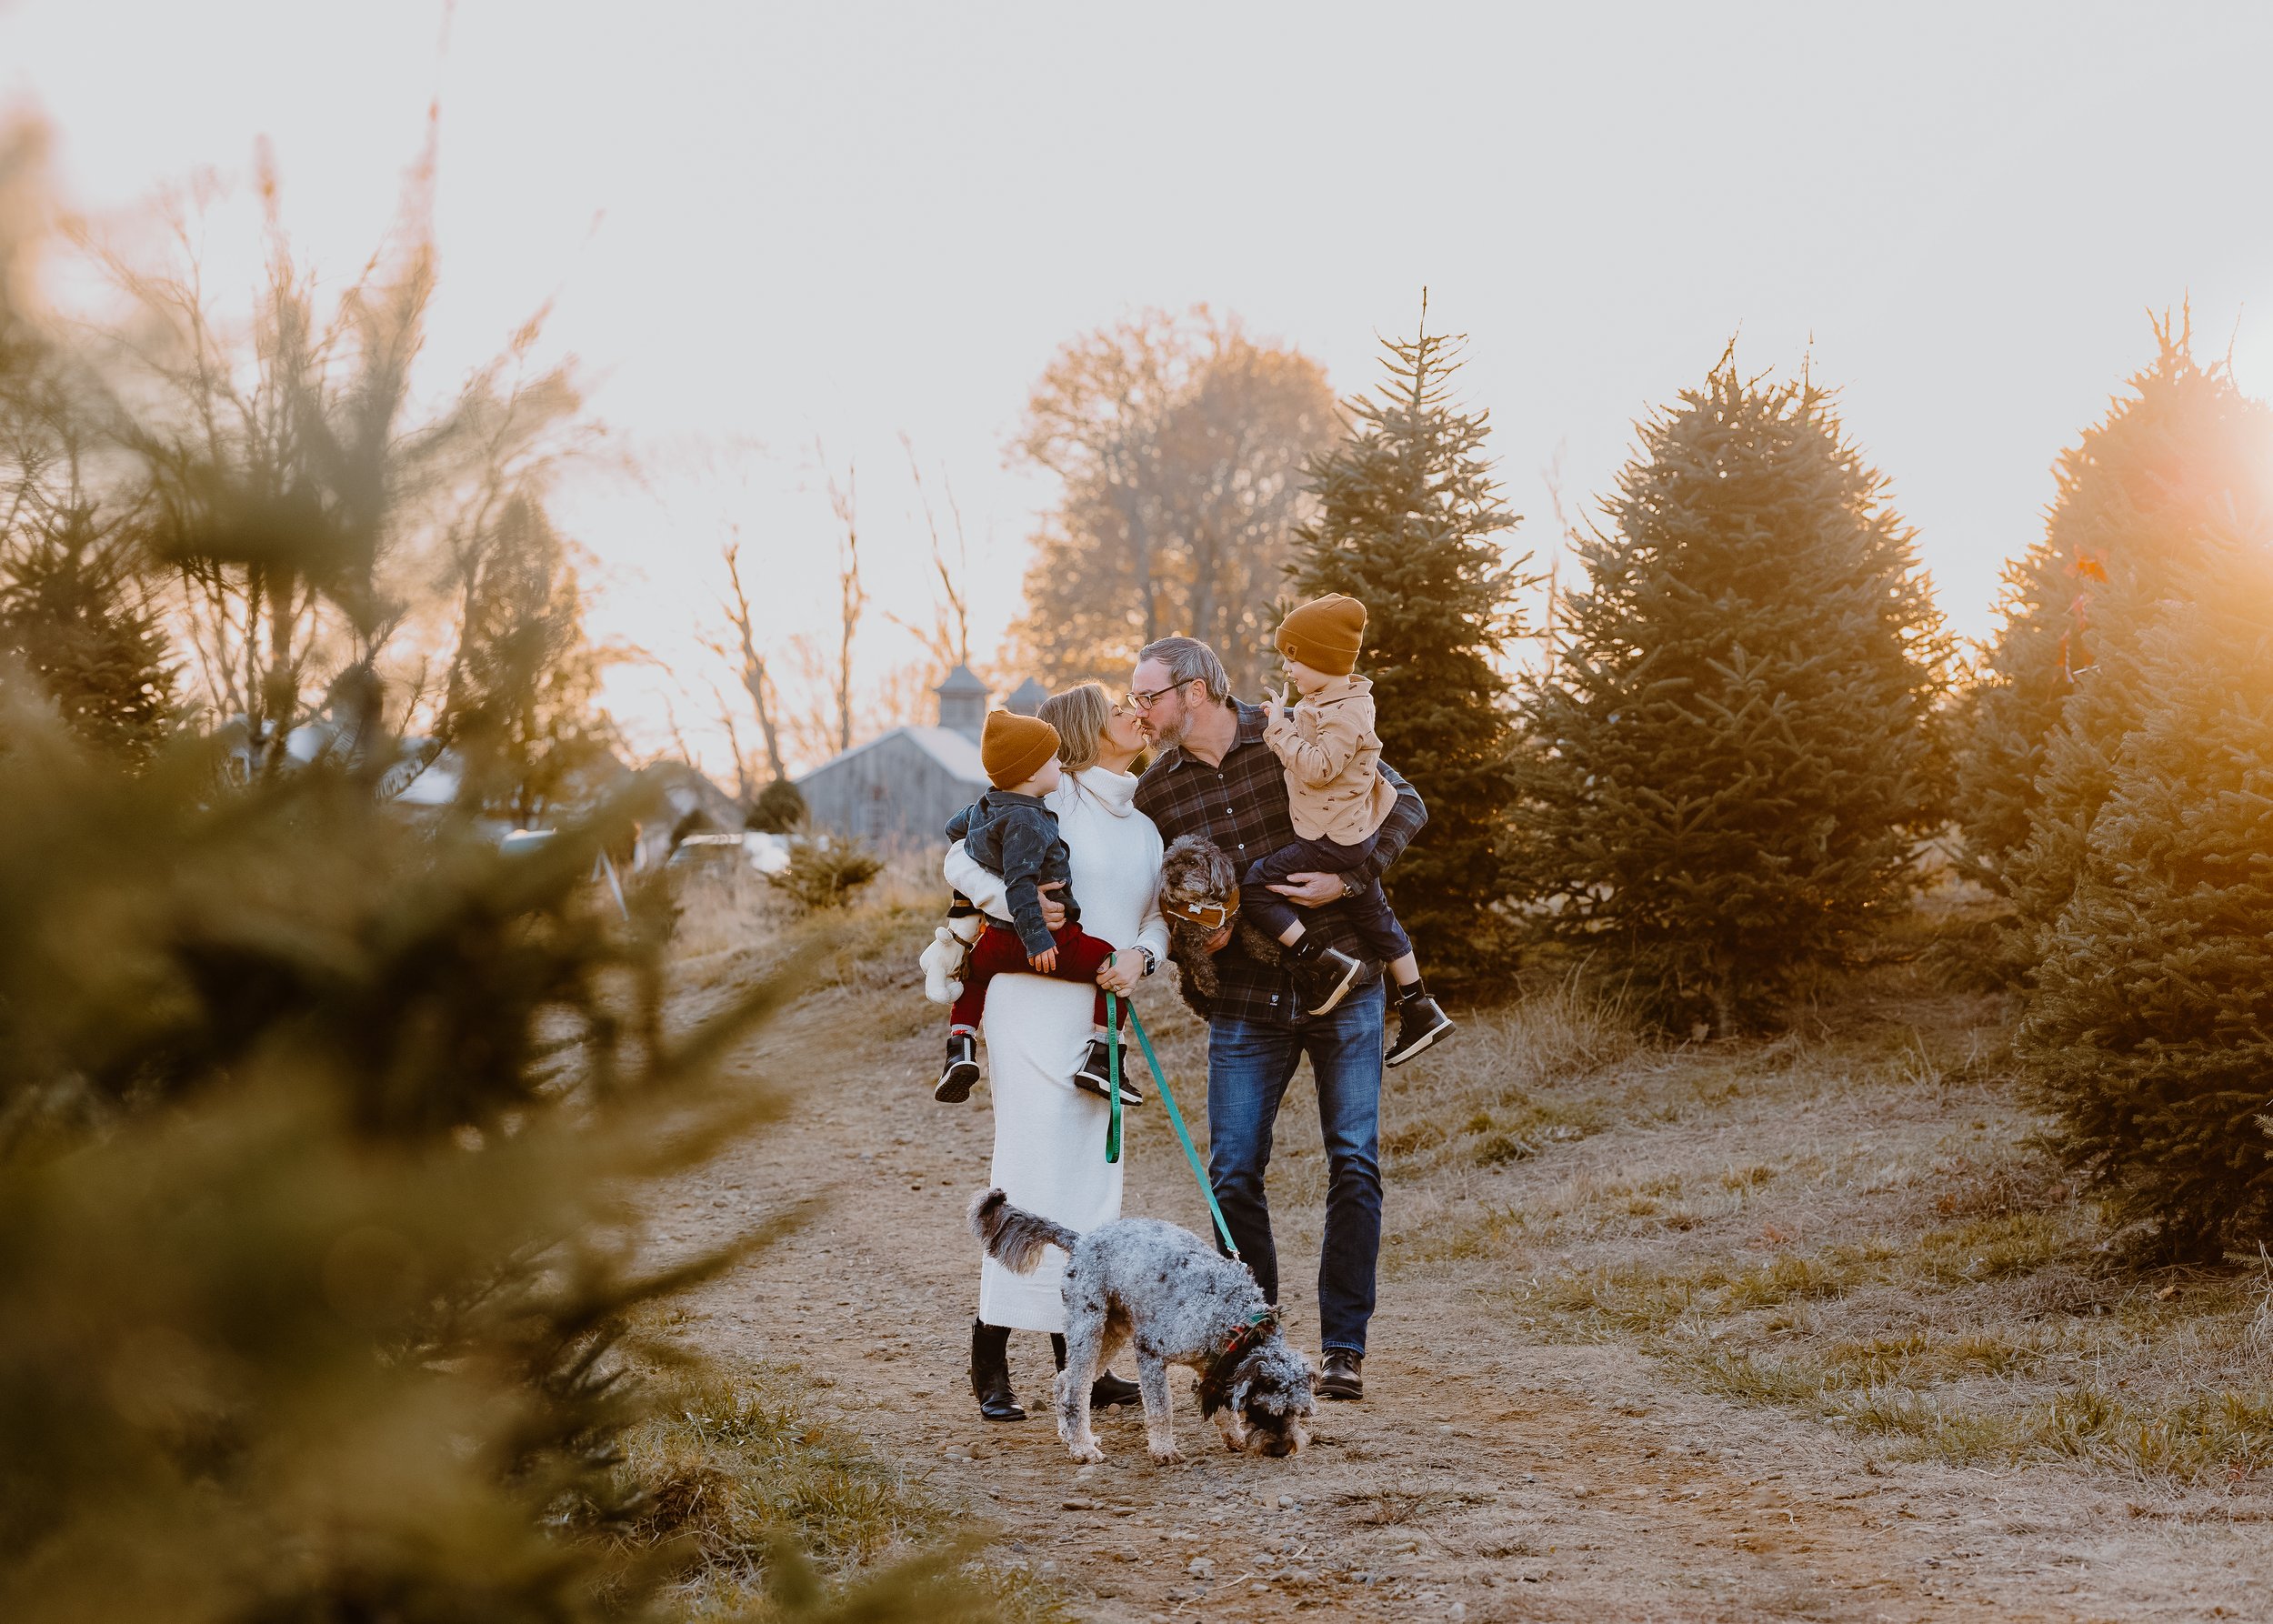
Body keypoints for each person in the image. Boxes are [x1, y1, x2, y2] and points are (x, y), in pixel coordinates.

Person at [1129, 635, 1426, 1404]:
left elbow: (1407, 802)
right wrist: (1199, 931)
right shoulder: (1155, 793)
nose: (1140, 711)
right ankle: (1258, 1337)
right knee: (1232, 1171)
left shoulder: (1295, 731)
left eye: (1148, 695)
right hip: (1243, 1002)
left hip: (1348, 982)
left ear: (1194, 692)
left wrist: (1349, 874)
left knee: (1354, 1161)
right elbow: (1155, 891)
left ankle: (1343, 1350)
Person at [943, 684, 1170, 1423]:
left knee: (1093, 1183)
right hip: (1030, 998)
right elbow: (957, 859)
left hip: (1099, 1007)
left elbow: (1154, 920)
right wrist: (1014, 906)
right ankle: (991, 1352)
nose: (1137, 717)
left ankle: (1083, 1359)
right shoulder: (1049, 797)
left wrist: (1142, 957)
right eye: (1120, 712)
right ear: (1083, 731)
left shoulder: (1144, 828)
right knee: (1029, 1170)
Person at [1245, 592, 1454, 1066]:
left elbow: (1318, 767)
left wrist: (1279, 729)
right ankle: (1419, 1004)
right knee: (1374, 914)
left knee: (1256, 884)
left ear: (1323, 660)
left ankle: (1324, 964)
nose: (1288, 671)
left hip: (1327, 841)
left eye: (1294, 660)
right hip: (1348, 837)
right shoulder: (1334, 702)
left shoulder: (1347, 712)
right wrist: (1295, 715)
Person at [936, 710, 1128, 1104]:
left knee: (972, 977)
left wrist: (980, 826)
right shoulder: (1027, 820)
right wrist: (1039, 940)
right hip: (1044, 941)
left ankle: (960, 1047)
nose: (1059, 764)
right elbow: (1020, 884)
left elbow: (953, 829)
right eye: (1053, 760)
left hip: (995, 941)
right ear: (1029, 774)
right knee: (1113, 965)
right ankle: (1105, 1058)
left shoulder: (986, 807)